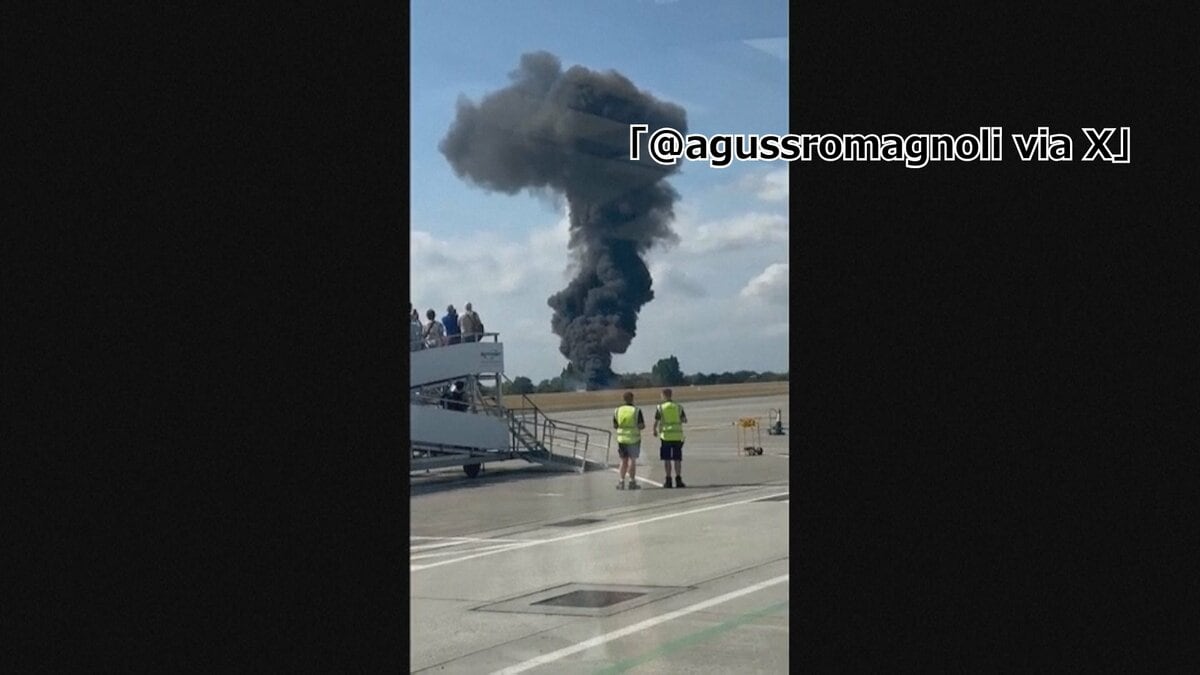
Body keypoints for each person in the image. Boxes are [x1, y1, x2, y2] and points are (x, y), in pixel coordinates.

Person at [653, 388, 688, 488]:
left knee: (667, 459)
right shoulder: (678, 407)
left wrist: (654, 430)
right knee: (677, 459)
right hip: (677, 435)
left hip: (666, 436)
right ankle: (678, 479)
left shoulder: (660, 407)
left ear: (664, 395)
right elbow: (684, 420)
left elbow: (656, 420)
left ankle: (668, 480)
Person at [612, 391, 645, 490]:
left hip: (622, 439)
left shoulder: (617, 410)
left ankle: (621, 481)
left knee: (623, 461)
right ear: (632, 399)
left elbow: (615, 425)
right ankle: (631, 481)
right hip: (633, 438)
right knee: (632, 461)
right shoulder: (636, 410)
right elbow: (641, 425)